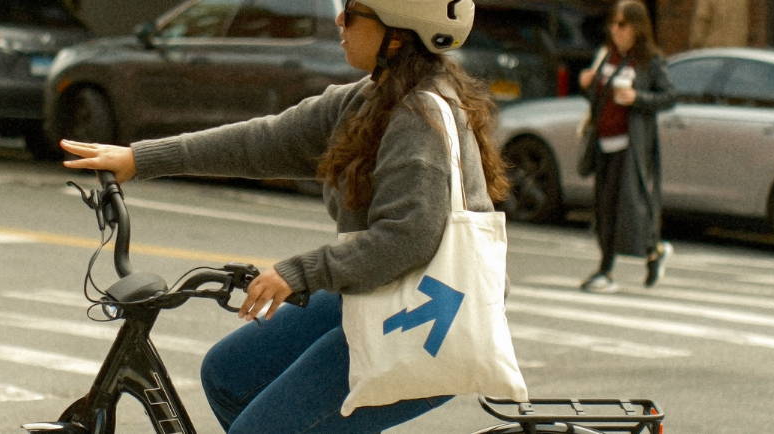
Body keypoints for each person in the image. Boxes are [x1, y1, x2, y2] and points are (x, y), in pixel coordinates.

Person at [59, 0, 509, 432]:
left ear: (398, 34)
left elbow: (408, 237)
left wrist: (299, 273)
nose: (339, 20)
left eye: (353, 13)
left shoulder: (419, 117)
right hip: (382, 290)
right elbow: (265, 141)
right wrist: (140, 159)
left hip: (431, 319)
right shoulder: (369, 100)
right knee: (229, 373)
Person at [577, 0, 676, 294]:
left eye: (622, 24)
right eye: (613, 24)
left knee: (629, 207)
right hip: (603, 144)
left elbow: (669, 96)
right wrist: (588, 85)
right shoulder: (606, 56)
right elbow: (597, 101)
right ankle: (631, 260)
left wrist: (637, 98)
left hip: (631, 146)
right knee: (604, 207)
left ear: (637, 27)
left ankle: (618, 265)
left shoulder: (650, 61)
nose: (615, 30)